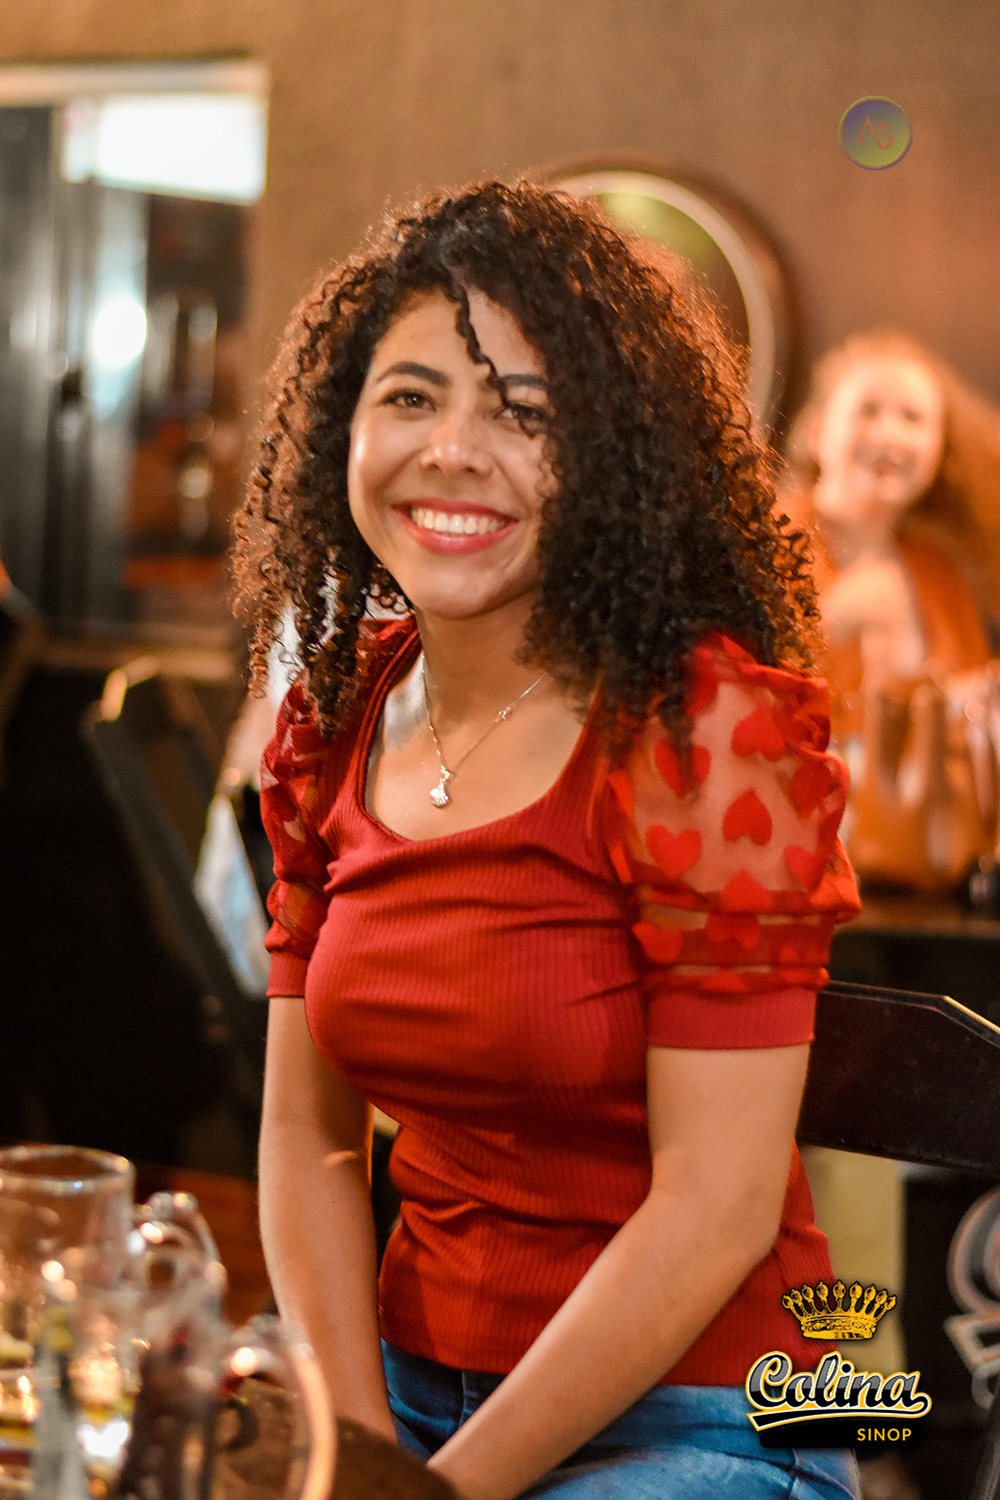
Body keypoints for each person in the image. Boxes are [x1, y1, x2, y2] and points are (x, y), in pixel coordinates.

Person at [233, 181, 862, 1500]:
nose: (453, 450)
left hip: (706, 1417)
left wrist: (440, 1496)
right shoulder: (333, 719)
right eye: (411, 397)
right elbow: (306, 1137)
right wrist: (359, 1455)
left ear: (615, 463)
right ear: (344, 428)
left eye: (524, 414)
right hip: (408, 1394)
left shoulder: (703, 731)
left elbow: (719, 1206)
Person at [782, 329, 1000, 745]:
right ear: (816, 432)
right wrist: (830, 622)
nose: (889, 435)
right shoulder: (768, 536)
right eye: (868, 411)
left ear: (939, 450)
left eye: (913, 418)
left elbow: (968, 714)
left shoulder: (939, 570)